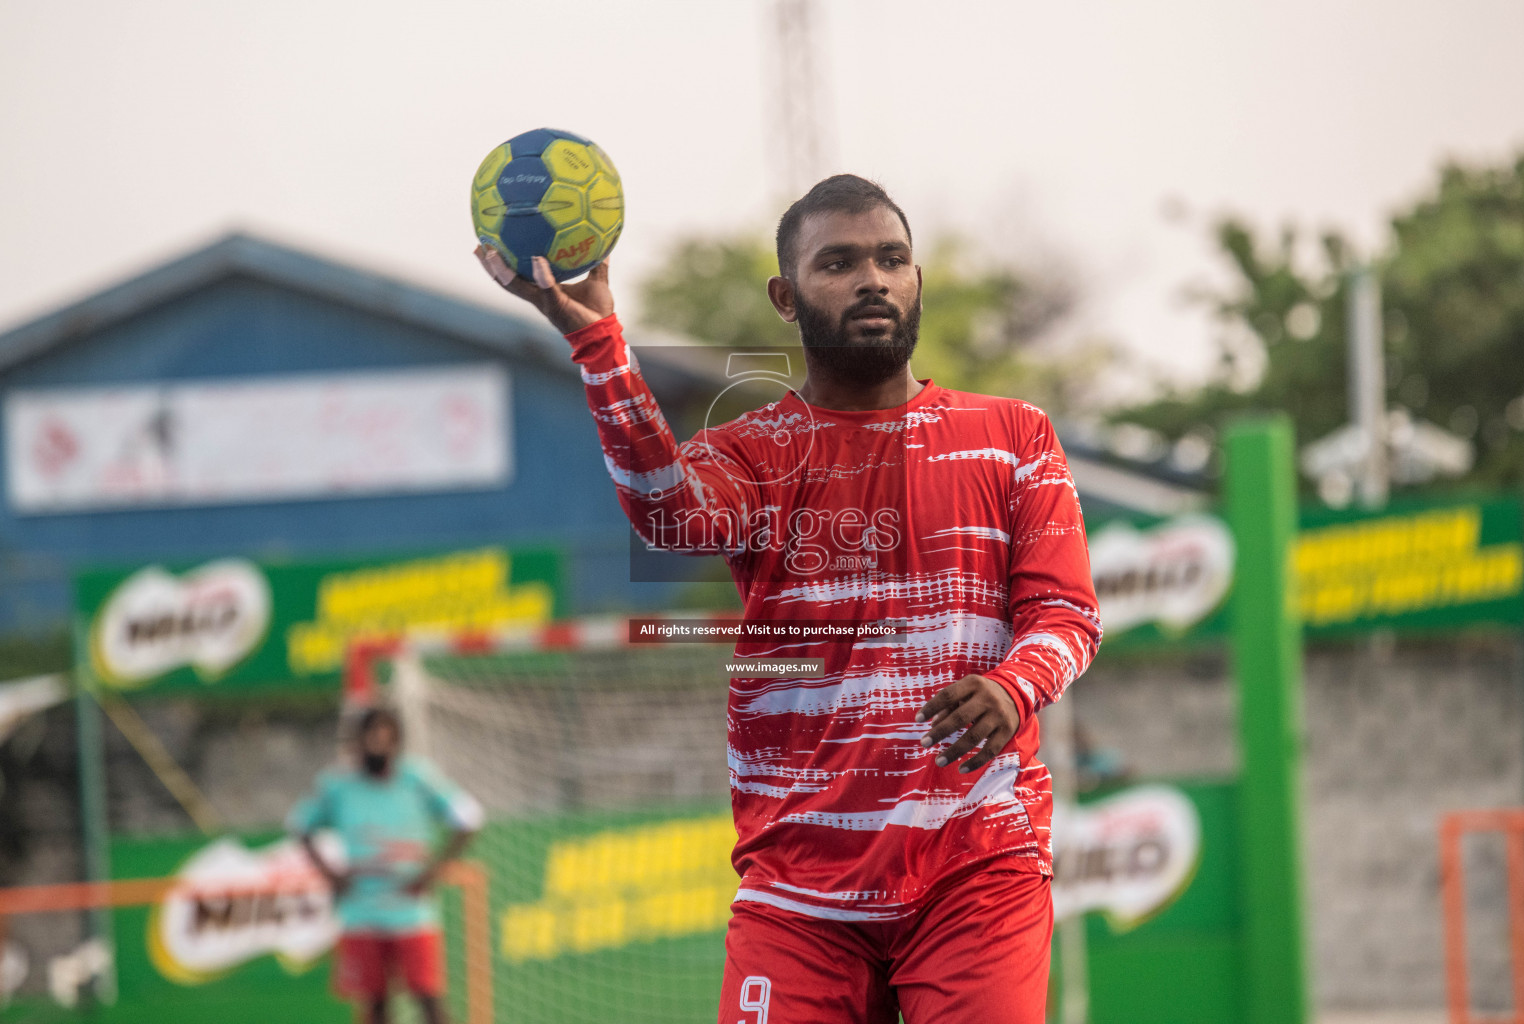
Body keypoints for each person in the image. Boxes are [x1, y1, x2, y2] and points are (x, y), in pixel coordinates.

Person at [475, 174, 1101, 1024]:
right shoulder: (753, 452)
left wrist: (1010, 684)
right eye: (838, 263)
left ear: (918, 281)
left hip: (976, 866)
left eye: (892, 258)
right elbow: (669, 514)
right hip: (800, 888)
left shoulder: (1012, 437)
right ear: (786, 296)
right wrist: (598, 345)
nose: (872, 279)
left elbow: (1066, 615)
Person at [289, 706, 483, 1024]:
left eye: (386, 735)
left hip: (410, 908)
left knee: (429, 1000)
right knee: (375, 1005)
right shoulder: (338, 784)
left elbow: (469, 818)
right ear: (359, 741)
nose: (379, 742)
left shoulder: (418, 778)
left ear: (397, 740)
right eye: (372, 735)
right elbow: (299, 824)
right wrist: (329, 874)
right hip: (361, 910)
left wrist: (433, 871)